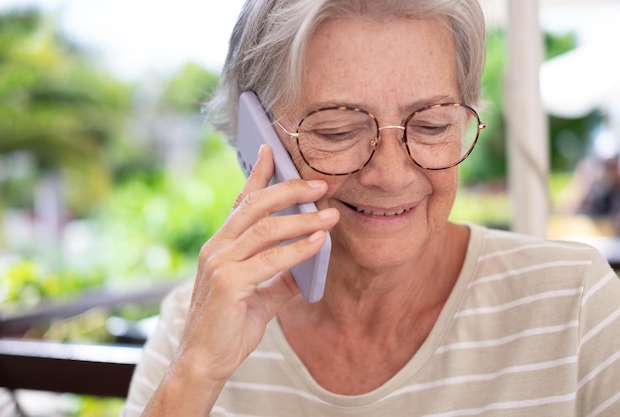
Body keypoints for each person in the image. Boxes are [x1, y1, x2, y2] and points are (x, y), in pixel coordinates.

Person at [122, 1, 620, 416]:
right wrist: (194, 375)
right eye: (337, 130)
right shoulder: (197, 323)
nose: (391, 173)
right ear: (259, 142)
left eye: (432, 125)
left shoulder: (577, 306)